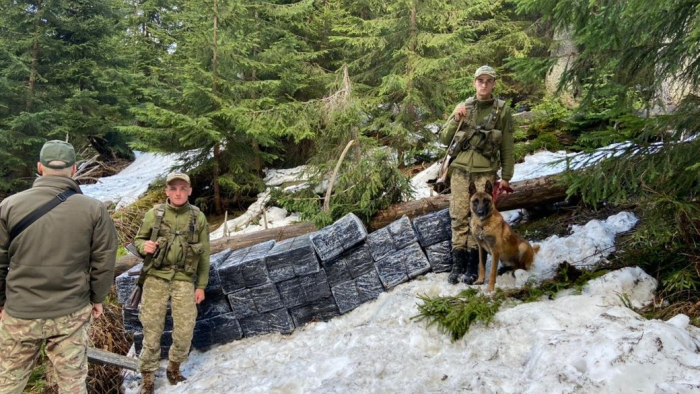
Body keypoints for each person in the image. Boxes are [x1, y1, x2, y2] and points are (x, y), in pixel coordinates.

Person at [0, 140, 117, 393]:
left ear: (39, 167)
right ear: (74, 169)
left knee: (8, 383)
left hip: (20, 311)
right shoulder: (93, 209)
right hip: (71, 312)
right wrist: (97, 298)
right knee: (72, 384)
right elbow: (104, 260)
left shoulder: (8, 206)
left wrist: (2, 302)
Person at [439, 65, 515, 285]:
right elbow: (444, 139)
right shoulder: (464, 107)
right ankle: (457, 265)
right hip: (461, 170)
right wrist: (455, 119)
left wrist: (507, 176)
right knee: (458, 215)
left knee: (480, 219)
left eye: (488, 81)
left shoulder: (502, 111)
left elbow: (507, 145)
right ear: (474, 83)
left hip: (485, 172)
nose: (483, 84)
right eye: (480, 80)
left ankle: (473, 266)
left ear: (493, 84)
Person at [135, 172, 210, 393]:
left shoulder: (199, 217)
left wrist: (201, 286)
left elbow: (204, 254)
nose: (178, 193)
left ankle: (174, 367)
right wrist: (143, 247)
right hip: (156, 277)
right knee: (151, 328)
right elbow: (139, 239)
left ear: (189, 191)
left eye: (182, 189)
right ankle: (147, 377)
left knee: (185, 328)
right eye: (173, 189)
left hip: (184, 279)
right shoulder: (154, 214)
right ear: (167, 191)